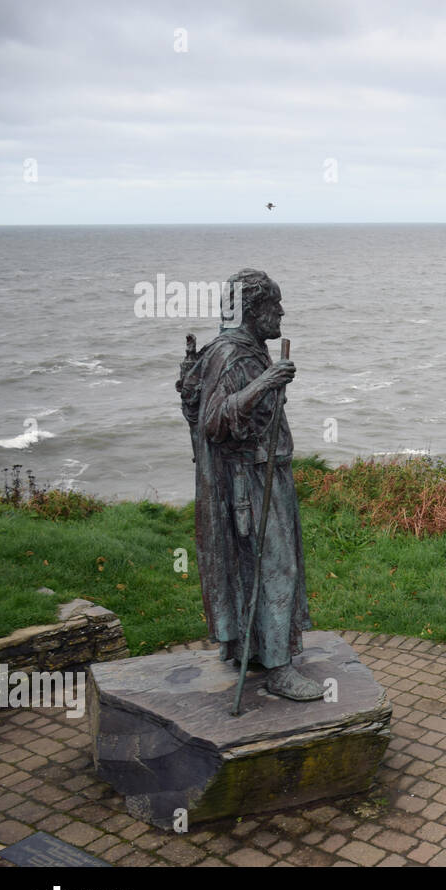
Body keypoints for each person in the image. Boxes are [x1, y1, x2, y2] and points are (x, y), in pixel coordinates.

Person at [177, 269, 323, 701]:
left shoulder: (241, 350)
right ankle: (279, 669)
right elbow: (213, 421)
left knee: (255, 568)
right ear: (253, 310)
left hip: (261, 474)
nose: (281, 312)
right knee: (277, 568)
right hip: (251, 482)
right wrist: (266, 382)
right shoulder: (237, 357)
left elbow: (190, 397)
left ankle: (253, 648)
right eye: (274, 305)